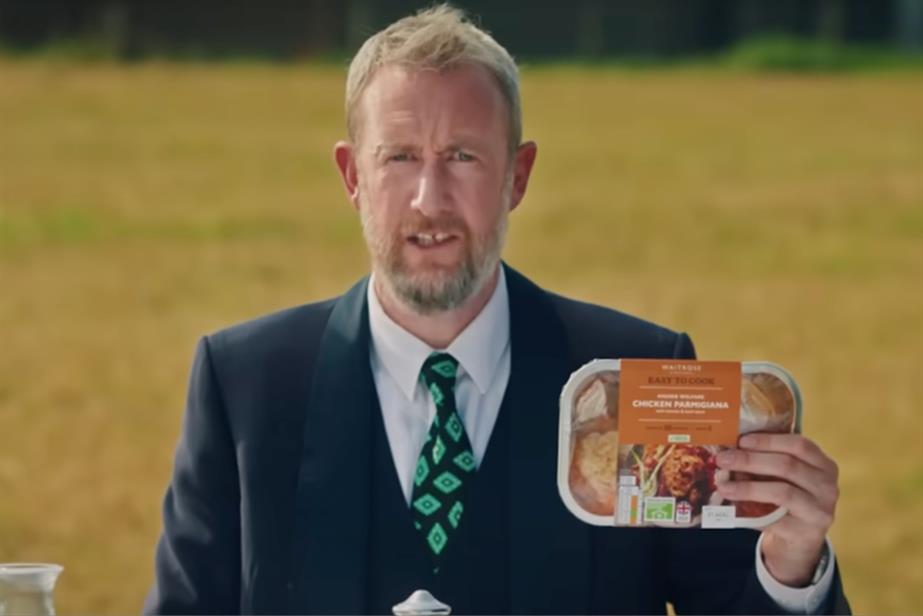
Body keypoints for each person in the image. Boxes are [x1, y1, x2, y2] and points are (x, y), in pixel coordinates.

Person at [144, 5, 849, 614]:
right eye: (398, 158)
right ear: (352, 176)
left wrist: (790, 565)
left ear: (517, 175)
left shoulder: (639, 379)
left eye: (462, 157)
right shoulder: (244, 385)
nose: (430, 199)